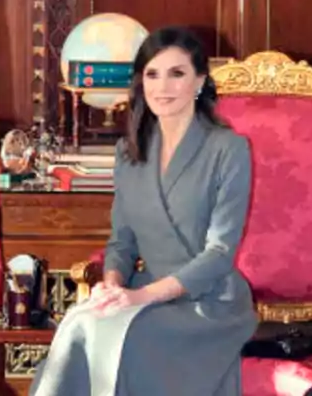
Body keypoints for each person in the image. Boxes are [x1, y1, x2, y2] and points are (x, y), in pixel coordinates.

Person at [31, 26, 257, 395]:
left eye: (177, 73)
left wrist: (141, 297)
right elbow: (122, 242)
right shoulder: (128, 152)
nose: (162, 87)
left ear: (199, 81)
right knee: (77, 325)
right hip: (141, 292)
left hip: (208, 304)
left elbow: (219, 254)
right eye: (152, 74)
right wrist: (114, 285)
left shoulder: (228, 149)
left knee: (131, 339)